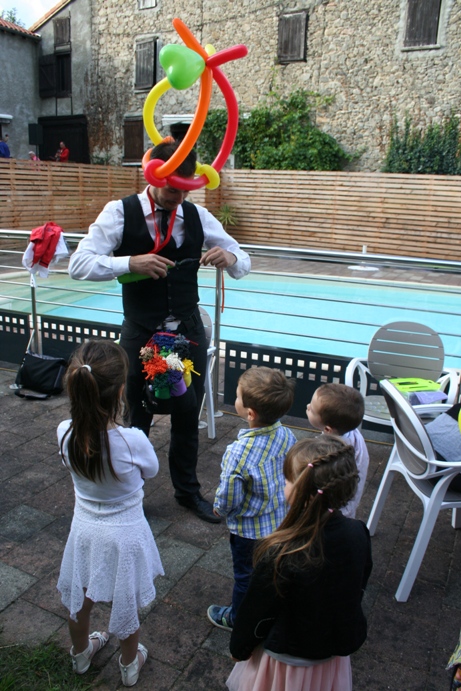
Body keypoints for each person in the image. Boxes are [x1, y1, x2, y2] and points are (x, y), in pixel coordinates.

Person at [68, 139, 251, 523]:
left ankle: (187, 492)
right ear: (154, 176)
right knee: (136, 415)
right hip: (140, 333)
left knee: (187, 415)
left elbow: (243, 260)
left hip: (188, 333)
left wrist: (230, 256)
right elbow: (78, 264)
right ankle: (128, 491)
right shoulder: (120, 212)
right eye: (172, 188)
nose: (177, 197)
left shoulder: (198, 216)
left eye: (185, 190)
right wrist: (128, 262)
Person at [56, 340, 164, 687]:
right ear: (120, 391)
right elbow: (151, 472)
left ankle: (80, 654)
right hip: (125, 533)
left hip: (85, 529)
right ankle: (130, 664)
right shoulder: (133, 440)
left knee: (80, 596)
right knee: (125, 601)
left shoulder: (65, 432)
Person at [227, 435, 372, 691]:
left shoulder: (281, 552)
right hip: (330, 655)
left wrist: (239, 648)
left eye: (286, 480)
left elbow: (255, 610)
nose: (283, 484)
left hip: (286, 661)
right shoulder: (358, 532)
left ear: (300, 491)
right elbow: (358, 583)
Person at [208, 367, 297, 631]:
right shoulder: (286, 434)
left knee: (245, 575)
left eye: (237, 396)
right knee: (272, 569)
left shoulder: (238, 453)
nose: (235, 398)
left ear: (250, 413)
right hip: (280, 520)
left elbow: (229, 494)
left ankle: (239, 617)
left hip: (249, 532)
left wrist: (218, 509)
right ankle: (274, 605)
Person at [306, 382, 369, 518]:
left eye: (312, 410)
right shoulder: (350, 431)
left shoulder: (332, 451)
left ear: (328, 429)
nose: (308, 406)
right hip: (348, 502)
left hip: (333, 512)